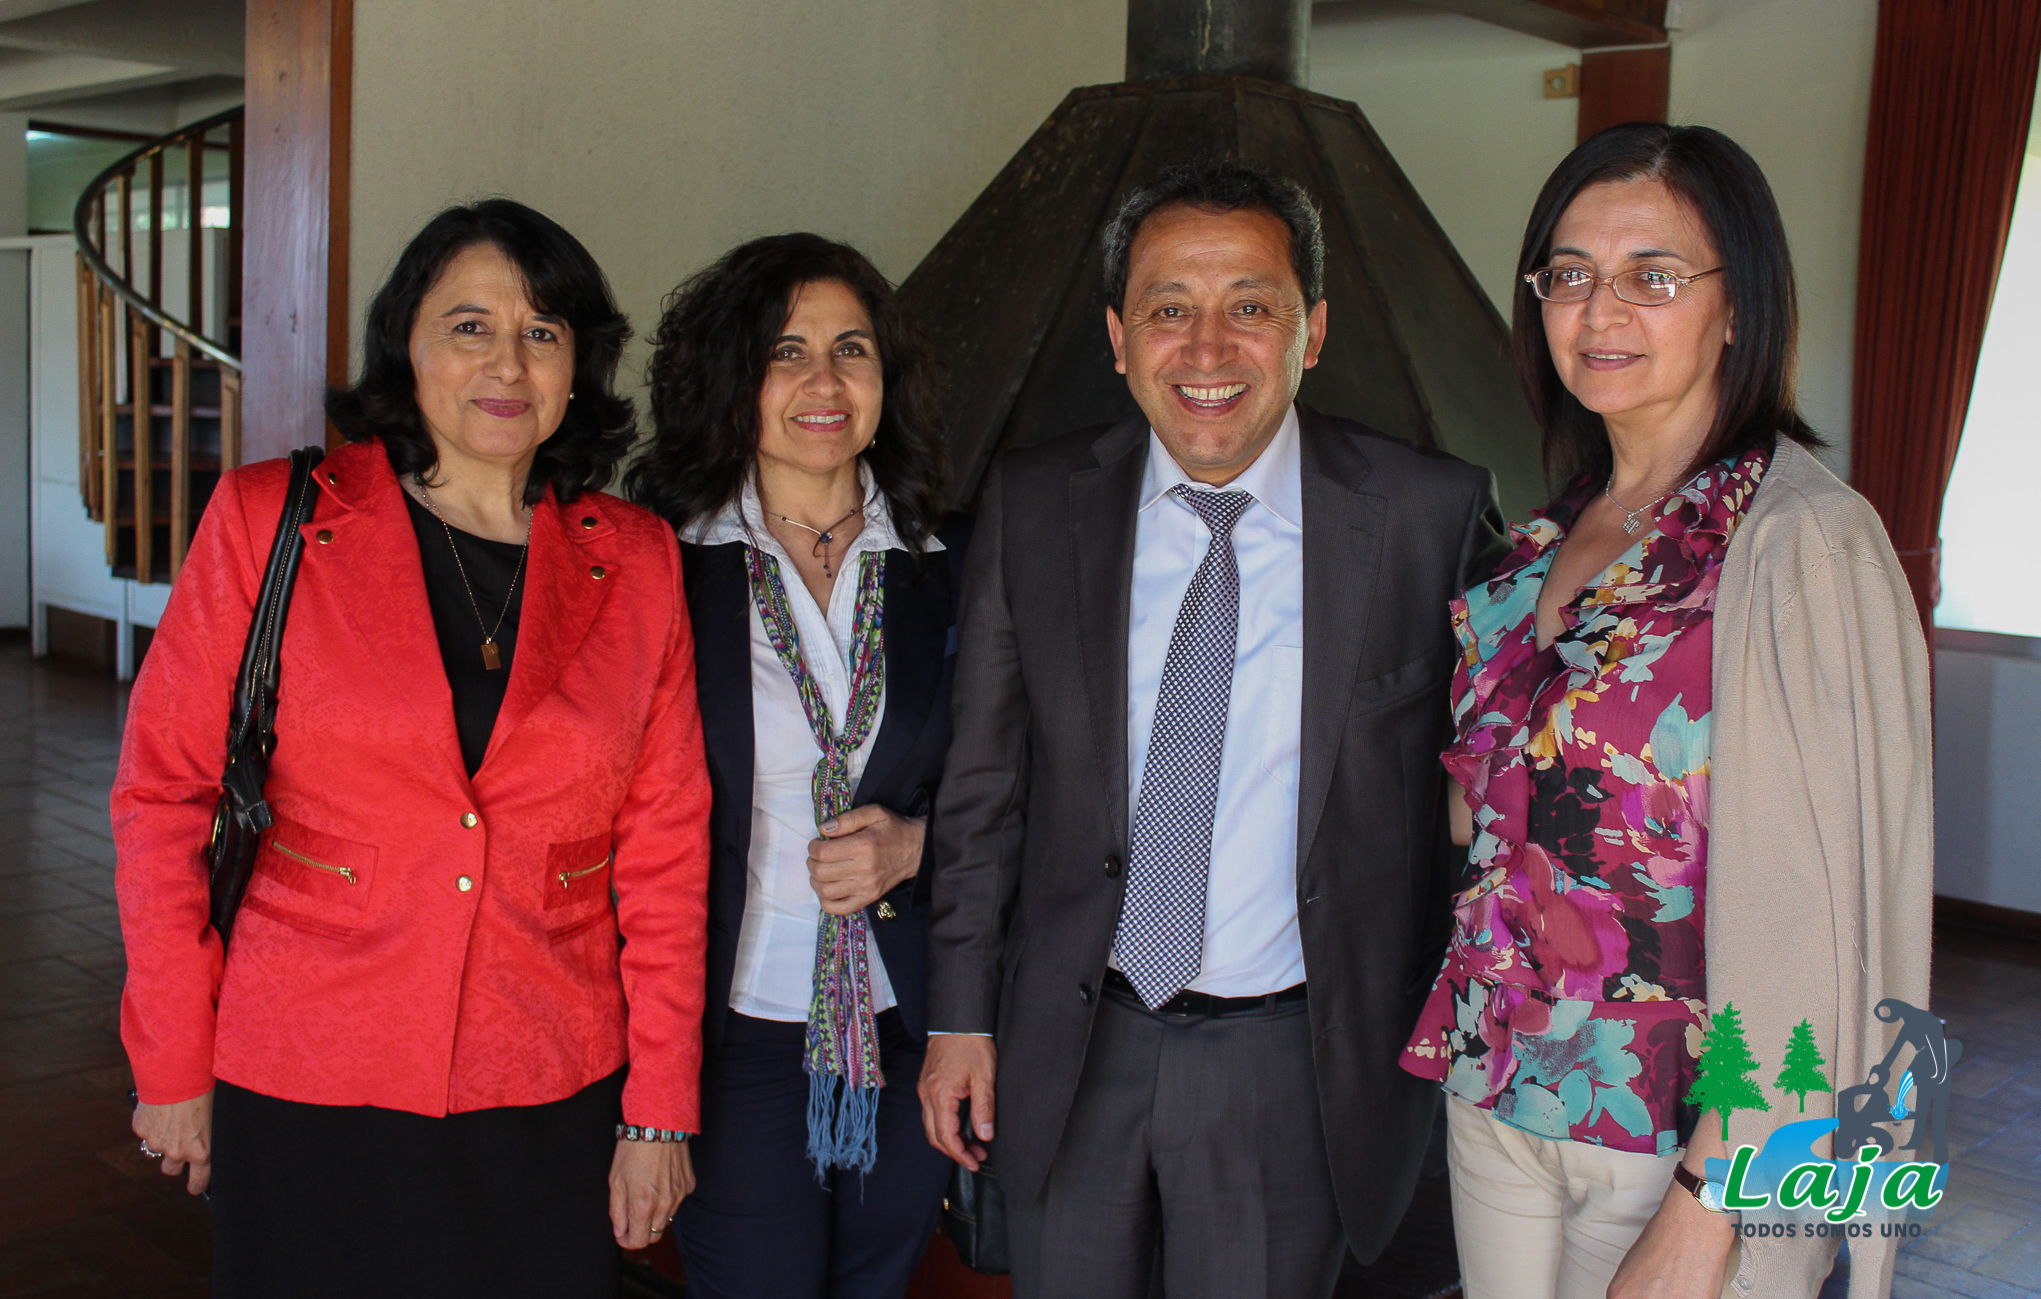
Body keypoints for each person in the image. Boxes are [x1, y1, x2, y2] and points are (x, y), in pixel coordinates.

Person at [916, 159, 1509, 1299]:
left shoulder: (1423, 517)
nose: (1205, 348)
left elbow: (1500, 773)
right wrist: (957, 1020)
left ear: (1312, 330)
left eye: (1249, 306)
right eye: (1167, 310)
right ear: (1117, 338)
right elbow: (982, 789)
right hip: (1069, 1044)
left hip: (1290, 1065)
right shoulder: (1035, 505)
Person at [113, 199, 711, 1298]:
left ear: (577, 366)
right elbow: (163, 798)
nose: (507, 362)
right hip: (309, 1063)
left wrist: (659, 1110)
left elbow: (668, 853)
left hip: (547, 1069)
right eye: (469, 325)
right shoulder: (270, 518)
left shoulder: (635, 559)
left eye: (541, 332)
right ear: (406, 345)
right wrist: (172, 1058)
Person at [1398, 123, 1932, 1299]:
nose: (1598, 311)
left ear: (1738, 307)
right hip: (1499, 1087)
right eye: (1568, 274)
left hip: (1677, 1133)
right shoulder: (1542, 537)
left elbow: (1818, 917)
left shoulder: (1797, 544)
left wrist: (1712, 1203)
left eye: (1651, 276)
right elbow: (1489, 820)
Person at [628, 233, 965, 1298]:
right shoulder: (655, 563)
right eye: (786, 352)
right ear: (732, 380)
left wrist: (918, 846)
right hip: (733, 1034)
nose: (824, 381)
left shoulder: (952, 563)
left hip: (908, 1025)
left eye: (851, 350)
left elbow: (1029, 781)